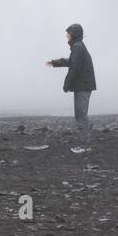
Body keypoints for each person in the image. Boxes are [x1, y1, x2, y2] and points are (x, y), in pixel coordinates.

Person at [45, 23, 96, 153]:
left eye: (69, 33)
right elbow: (72, 62)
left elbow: (75, 68)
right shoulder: (78, 47)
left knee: (80, 115)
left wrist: (66, 84)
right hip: (83, 86)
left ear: (74, 34)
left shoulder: (77, 47)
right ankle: (84, 144)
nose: (67, 35)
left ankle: (84, 145)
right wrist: (55, 63)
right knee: (81, 114)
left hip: (83, 86)